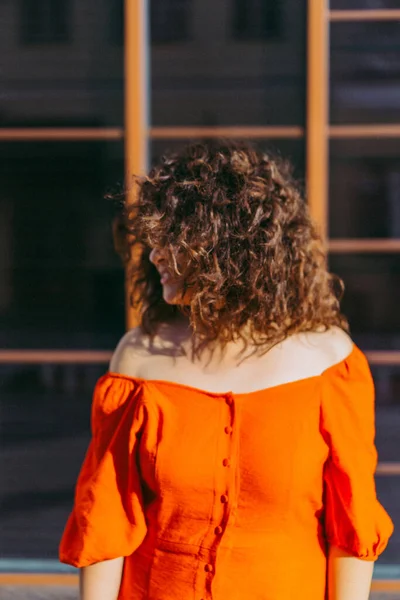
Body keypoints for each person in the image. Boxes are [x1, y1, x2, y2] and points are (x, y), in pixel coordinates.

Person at [59, 140, 394, 600]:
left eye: (174, 237)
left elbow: (351, 527)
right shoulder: (139, 359)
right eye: (156, 236)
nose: (156, 253)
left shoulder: (328, 364)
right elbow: (106, 520)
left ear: (234, 247)